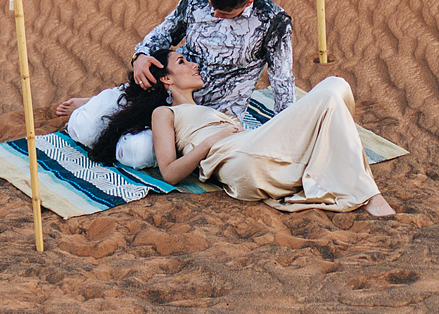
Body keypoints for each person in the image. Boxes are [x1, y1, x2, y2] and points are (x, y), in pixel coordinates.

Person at [151, 52, 393, 216]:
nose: (194, 65)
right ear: (166, 78)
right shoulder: (164, 113)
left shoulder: (206, 108)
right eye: (182, 62)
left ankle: (327, 168)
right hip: (238, 159)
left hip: (256, 150)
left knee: (337, 86)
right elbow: (169, 173)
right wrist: (211, 141)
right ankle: (368, 193)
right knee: (328, 94)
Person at [130, 0, 294, 123]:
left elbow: (282, 78)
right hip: (169, 99)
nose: (215, 14)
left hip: (219, 115)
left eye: (224, 14)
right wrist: (140, 55)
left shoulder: (273, 21)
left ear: (248, 3)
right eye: (212, 6)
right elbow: (165, 32)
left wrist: (285, 126)